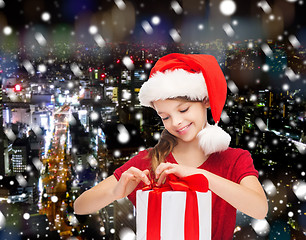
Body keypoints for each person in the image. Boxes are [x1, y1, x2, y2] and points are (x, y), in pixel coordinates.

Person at [74, 53, 268, 239]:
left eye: (183, 109)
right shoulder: (149, 161)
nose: (176, 122)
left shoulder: (233, 160)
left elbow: (259, 208)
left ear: (206, 100)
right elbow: (80, 206)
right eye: (165, 117)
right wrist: (115, 192)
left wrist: (201, 177)